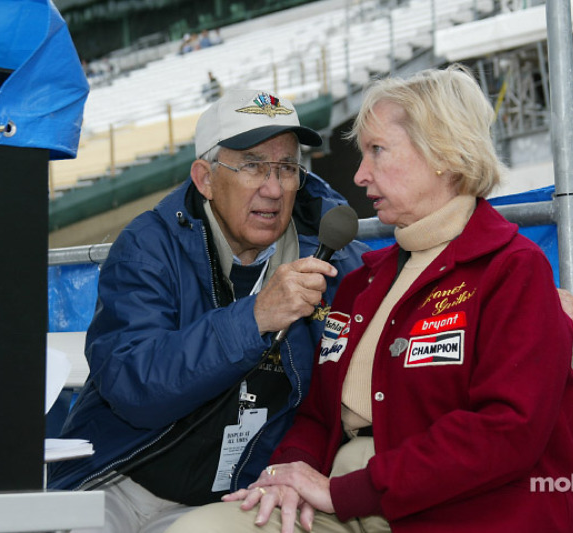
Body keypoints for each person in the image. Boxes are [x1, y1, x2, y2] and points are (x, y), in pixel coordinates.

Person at [166, 65, 573, 533]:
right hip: (347, 500)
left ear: (443, 154)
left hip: (464, 510)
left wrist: (344, 491)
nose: (360, 174)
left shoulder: (513, 270)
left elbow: (504, 432)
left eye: (377, 151)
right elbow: (317, 416)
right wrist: (287, 474)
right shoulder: (358, 284)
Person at [47, 89, 370, 533]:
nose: (273, 188)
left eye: (287, 168)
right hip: (122, 483)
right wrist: (255, 317)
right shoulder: (148, 248)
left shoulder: (336, 260)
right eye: (253, 165)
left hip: (240, 499)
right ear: (205, 178)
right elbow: (134, 385)